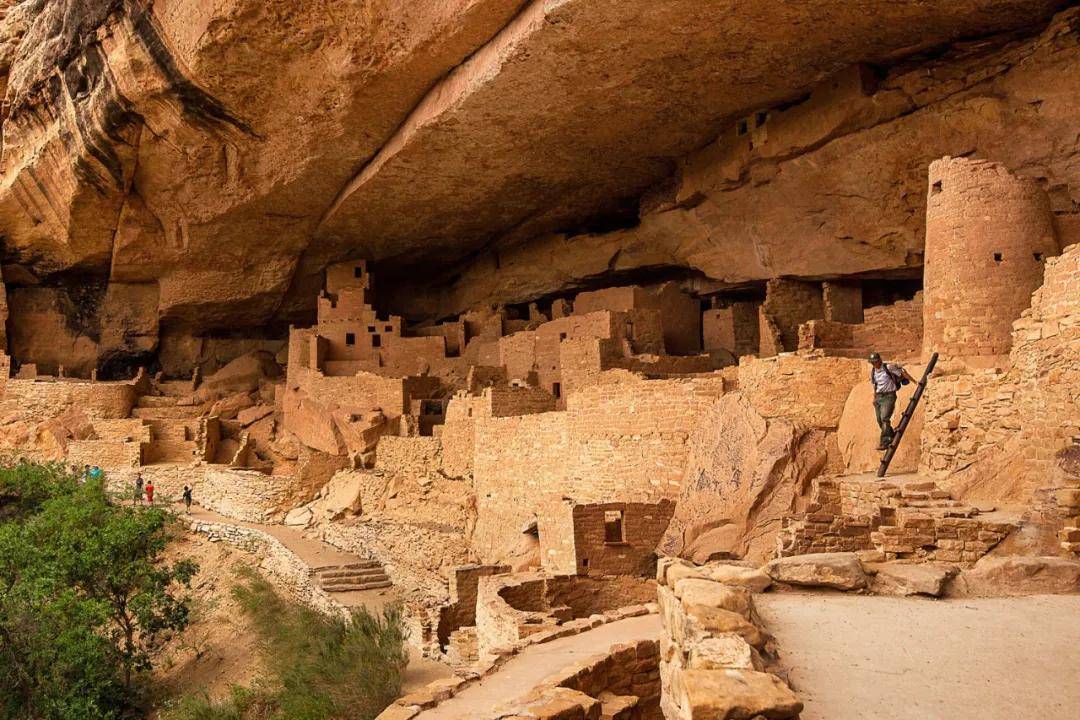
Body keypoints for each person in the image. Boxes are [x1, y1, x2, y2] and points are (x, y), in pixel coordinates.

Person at [869, 352, 918, 451]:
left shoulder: (888, 367)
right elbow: (875, 385)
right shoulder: (873, 371)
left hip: (889, 396)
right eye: (872, 363)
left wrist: (915, 382)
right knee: (880, 420)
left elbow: (902, 373)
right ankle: (890, 434)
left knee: (884, 418)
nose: (874, 364)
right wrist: (874, 398)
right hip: (879, 397)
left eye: (875, 362)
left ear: (879, 360)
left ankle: (885, 441)